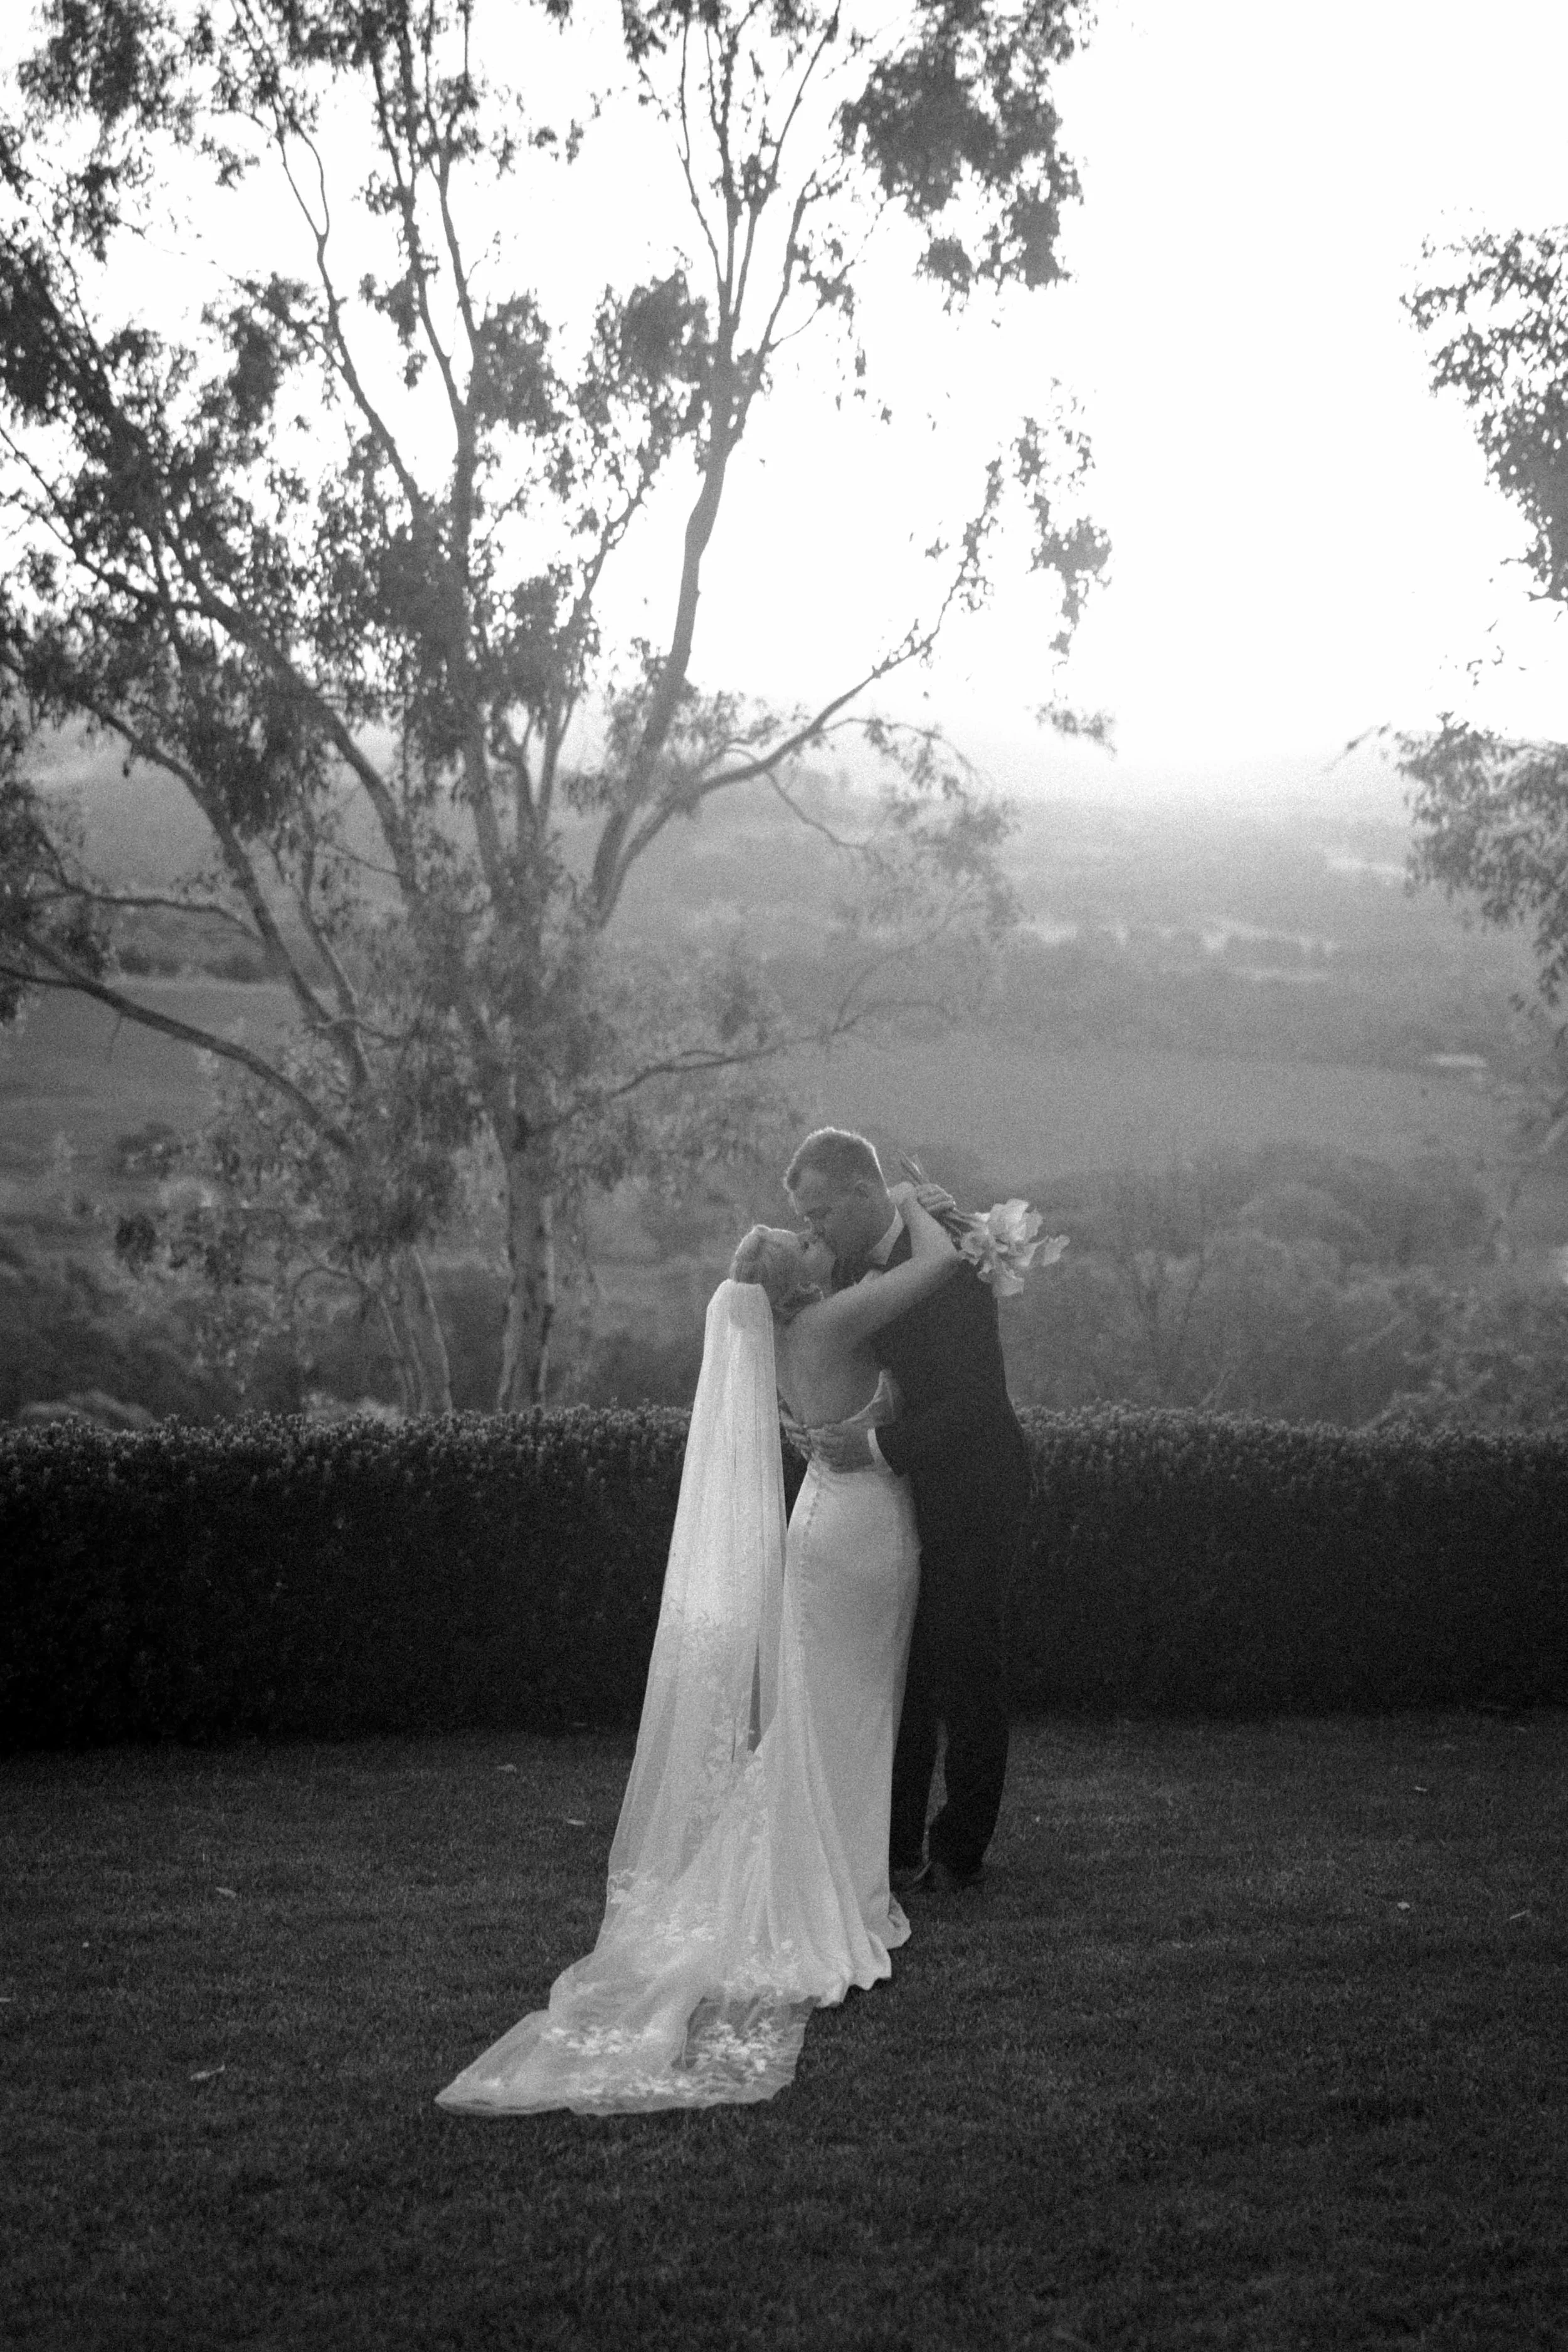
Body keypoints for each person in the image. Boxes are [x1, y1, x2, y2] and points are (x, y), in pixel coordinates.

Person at [435, 1182, 962, 2116]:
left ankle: (838, 1854)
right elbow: (940, 1265)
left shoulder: (783, 1337)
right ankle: (842, 1878)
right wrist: (912, 1197)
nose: (812, 1239)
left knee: (824, 1709)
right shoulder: (833, 1320)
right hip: (862, 1536)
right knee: (856, 1705)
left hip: (822, 1523)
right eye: (798, 1242)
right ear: (794, 1285)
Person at [785, 1128, 1033, 1895]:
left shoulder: (955, 1265)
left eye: (822, 1211)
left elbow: (977, 1405)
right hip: (893, 1504)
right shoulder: (848, 1268)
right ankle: (890, 1840)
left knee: (965, 1668)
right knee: (903, 1669)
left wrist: (876, 1447)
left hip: (974, 1492)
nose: (813, 1230)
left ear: (866, 1192)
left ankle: (960, 1847)